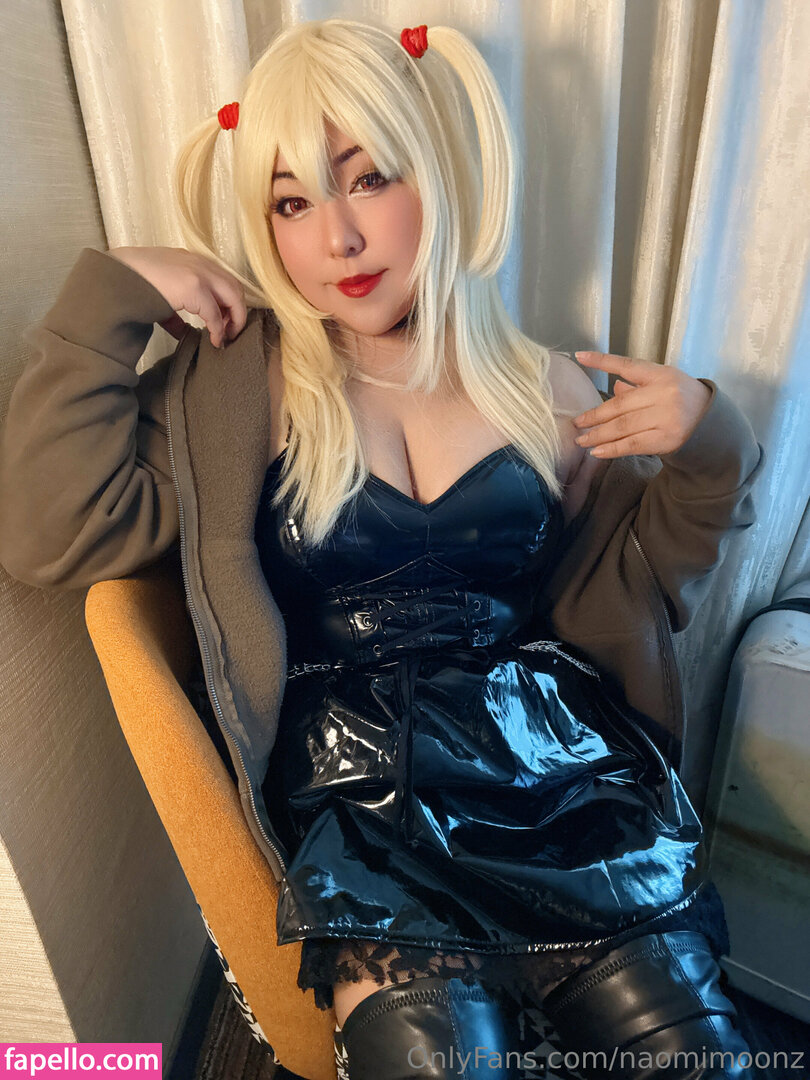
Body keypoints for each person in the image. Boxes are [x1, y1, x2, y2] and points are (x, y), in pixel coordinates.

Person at [0, 18, 765, 1080]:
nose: (338, 240)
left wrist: (713, 439)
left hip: (556, 769)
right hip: (357, 792)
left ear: (438, 173)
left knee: (700, 1055)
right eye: (292, 203)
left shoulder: (546, 386)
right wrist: (114, 294)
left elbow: (645, 577)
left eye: (368, 179)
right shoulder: (237, 389)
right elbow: (50, 532)